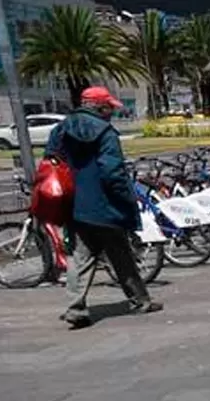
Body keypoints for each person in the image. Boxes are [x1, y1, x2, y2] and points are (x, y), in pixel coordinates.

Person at [47, 86, 162, 329]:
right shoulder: (106, 133)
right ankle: (140, 300)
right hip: (106, 204)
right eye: (108, 106)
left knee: (80, 257)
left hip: (75, 204)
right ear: (99, 107)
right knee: (121, 254)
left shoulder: (62, 129)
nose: (111, 111)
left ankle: (75, 308)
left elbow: (51, 160)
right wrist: (127, 199)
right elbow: (112, 172)